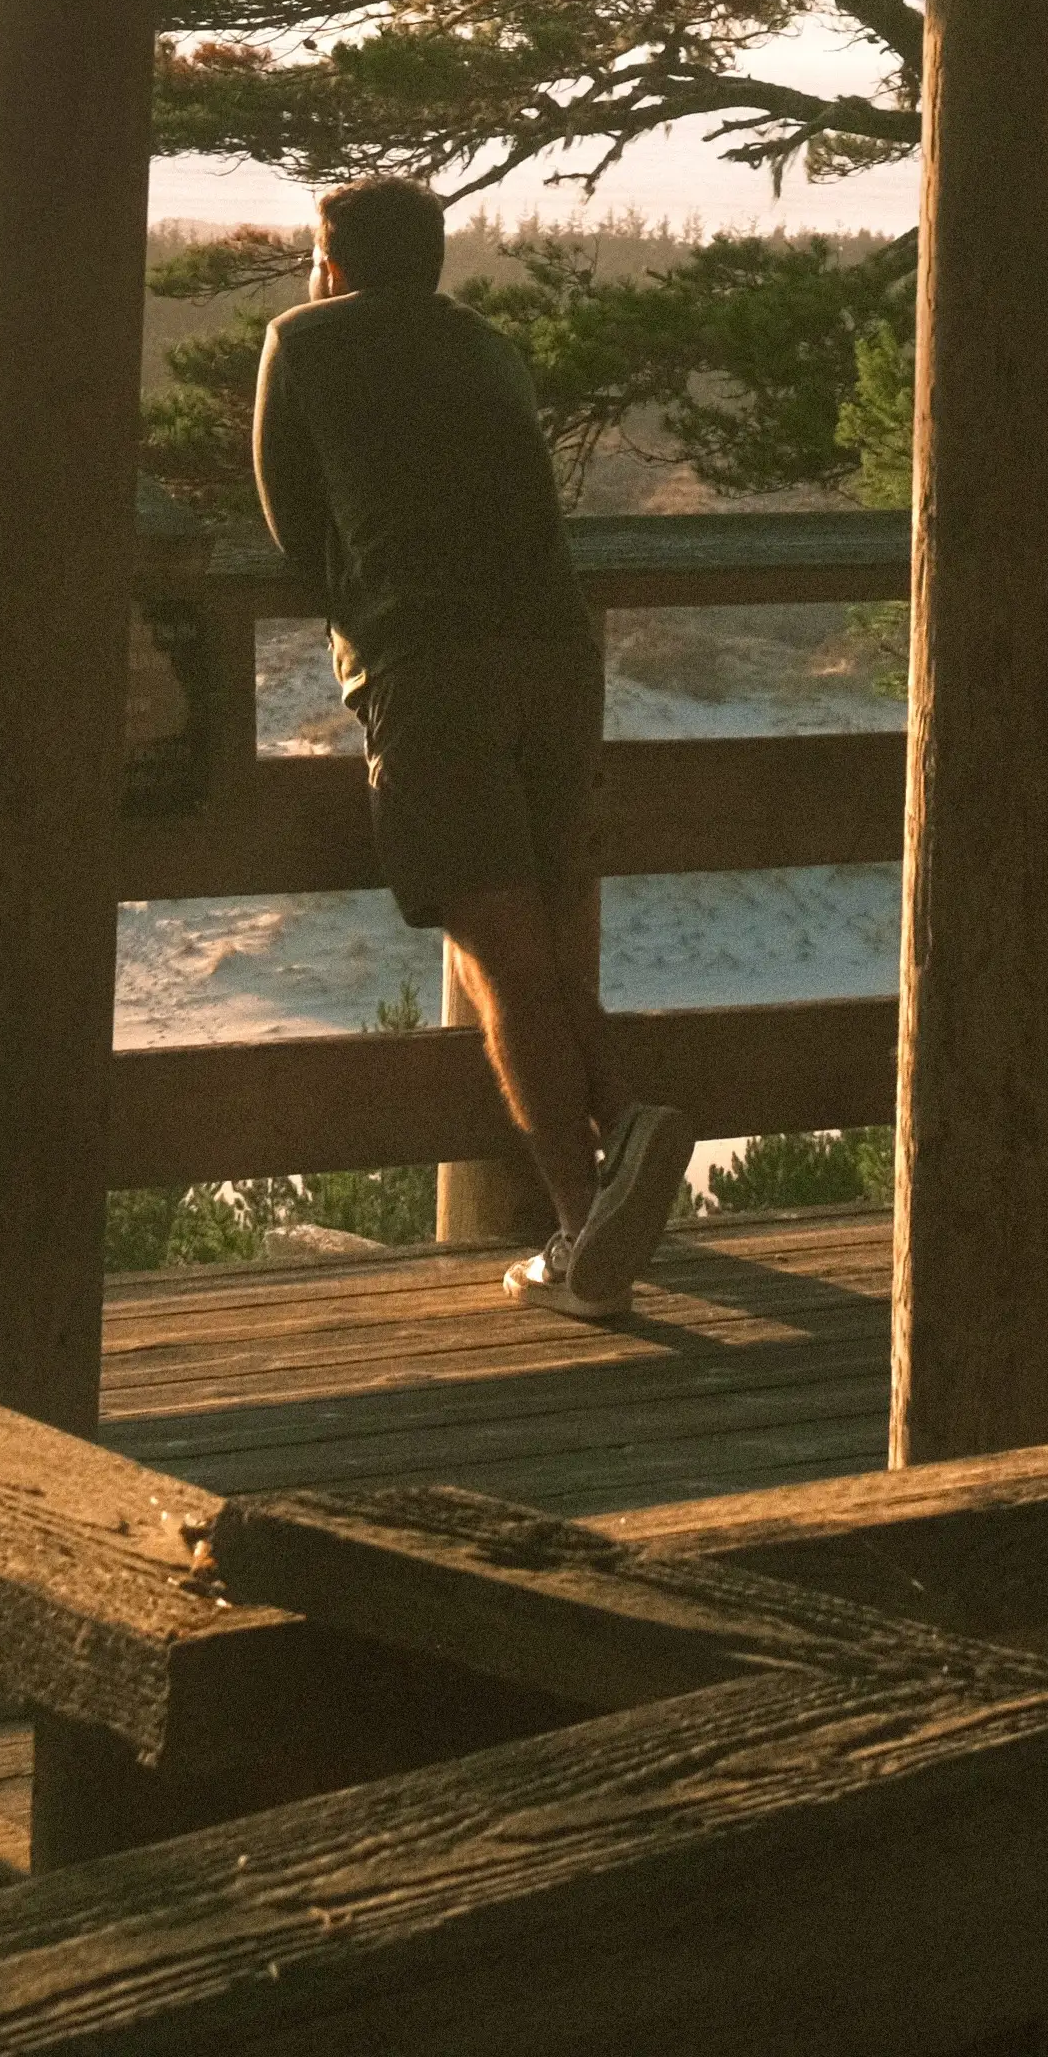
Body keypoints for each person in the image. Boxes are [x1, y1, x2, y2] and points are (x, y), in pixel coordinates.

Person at [250, 175, 690, 1318]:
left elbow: (291, 524)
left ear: (333, 262)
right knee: (541, 934)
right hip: (558, 654)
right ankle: (615, 1165)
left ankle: (588, 1220)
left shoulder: (300, 339)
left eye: (314, 252)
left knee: (502, 960)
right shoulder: (492, 348)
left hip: (429, 668)